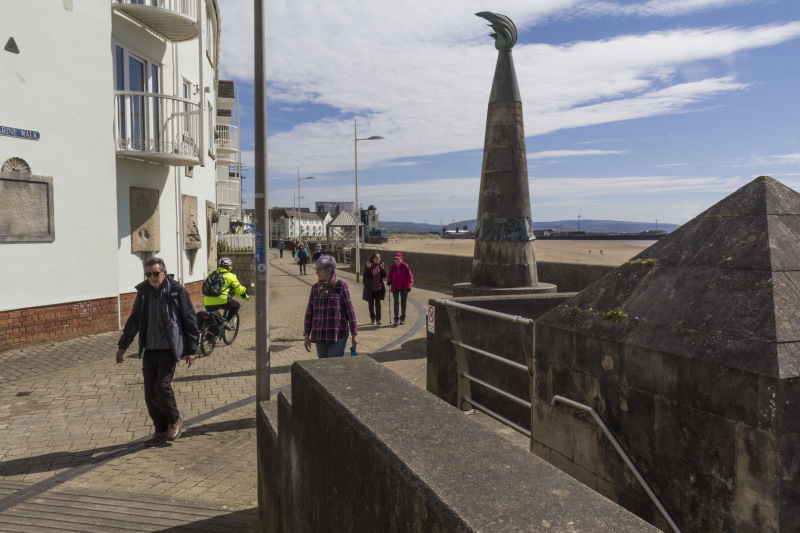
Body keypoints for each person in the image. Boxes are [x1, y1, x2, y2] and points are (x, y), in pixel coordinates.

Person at [115, 257, 198, 446]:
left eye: (155, 273)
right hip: (150, 349)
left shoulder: (177, 292)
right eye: (148, 274)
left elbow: (190, 320)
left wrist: (191, 349)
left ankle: (174, 420)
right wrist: (122, 346)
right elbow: (134, 320)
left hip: (170, 349)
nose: (152, 277)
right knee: (150, 393)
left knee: (162, 386)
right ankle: (160, 430)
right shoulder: (143, 293)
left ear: (164, 273)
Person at [303, 255, 358, 358]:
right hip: (320, 335)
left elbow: (350, 311)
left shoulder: (341, 286)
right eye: (316, 269)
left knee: (334, 369)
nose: (316, 272)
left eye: (319, 269)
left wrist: (354, 334)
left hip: (337, 335)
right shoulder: (315, 288)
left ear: (329, 270)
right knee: (323, 368)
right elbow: (309, 312)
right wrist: (306, 334)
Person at [203, 257, 250, 328]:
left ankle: (211, 335)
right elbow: (239, 290)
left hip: (207, 301)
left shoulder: (210, 274)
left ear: (219, 266)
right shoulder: (231, 276)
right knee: (236, 306)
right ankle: (225, 323)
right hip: (222, 300)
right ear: (229, 267)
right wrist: (246, 297)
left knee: (213, 315)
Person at [387, 252, 414, 326]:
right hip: (395, 287)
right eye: (395, 259)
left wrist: (409, 286)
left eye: (398, 259)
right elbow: (389, 276)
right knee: (396, 303)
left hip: (404, 288)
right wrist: (389, 281)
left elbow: (411, 278)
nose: (396, 260)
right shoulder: (392, 267)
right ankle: (396, 319)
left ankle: (403, 318)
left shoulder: (405, 266)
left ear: (401, 259)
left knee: (403, 303)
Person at [362, 253, 386, 326]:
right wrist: (368, 268)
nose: (378, 259)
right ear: (372, 259)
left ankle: (378, 319)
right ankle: (373, 319)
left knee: (378, 305)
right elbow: (365, 276)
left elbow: (384, 275)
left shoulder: (380, 266)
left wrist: (382, 269)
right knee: (371, 305)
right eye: (376, 258)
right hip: (370, 290)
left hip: (378, 289)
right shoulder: (369, 266)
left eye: (379, 258)